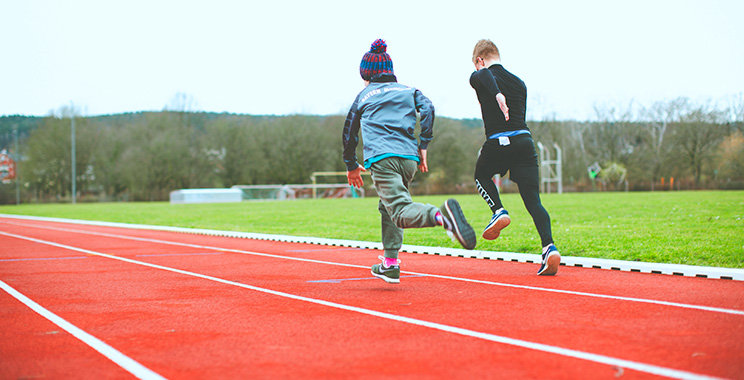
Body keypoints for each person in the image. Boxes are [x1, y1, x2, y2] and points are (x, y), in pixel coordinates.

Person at [342, 39, 477, 284]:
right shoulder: (408, 90)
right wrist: (424, 143)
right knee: (388, 206)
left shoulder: (363, 95)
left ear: (366, 74)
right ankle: (390, 263)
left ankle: (442, 216)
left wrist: (351, 164)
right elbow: (428, 108)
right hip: (409, 160)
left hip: (383, 159)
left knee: (400, 211)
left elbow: (349, 131)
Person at [469, 39, 561, 275]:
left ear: (480, 60)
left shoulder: (480, 75)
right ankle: (549, 247)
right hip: (524, 142)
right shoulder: (520, 83)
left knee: (481, 175)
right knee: (533, 201)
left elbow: (485, 77)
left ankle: (498, 211)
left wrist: (497, 94)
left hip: (499, 141)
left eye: (477, 65)